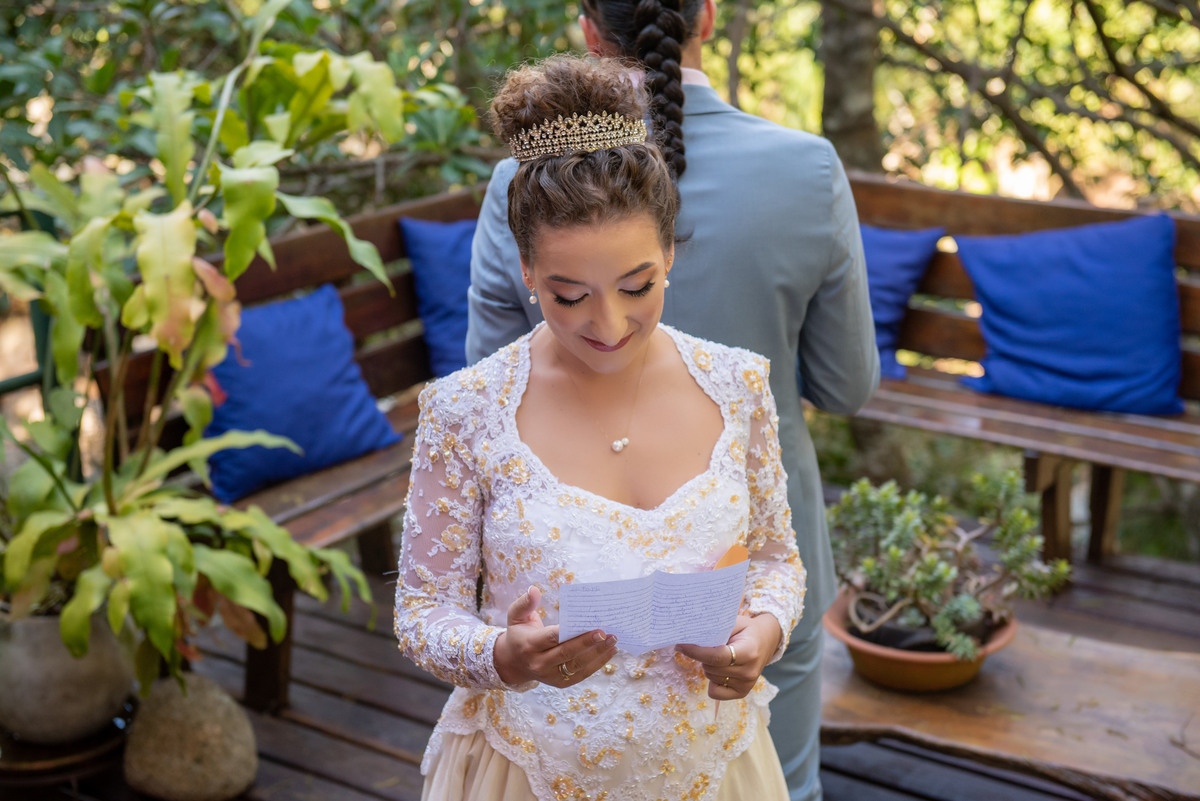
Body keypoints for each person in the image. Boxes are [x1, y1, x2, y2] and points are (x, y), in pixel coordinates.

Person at [466, 2, 880, 799]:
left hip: (562, 583)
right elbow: (845, 385)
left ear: (590, 28)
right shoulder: (810, 168)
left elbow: (489, 385)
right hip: (749, 566)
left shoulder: (524, 180)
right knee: (775, 782)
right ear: (709, 17)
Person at [395, 54, 806, 801]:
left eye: (637, 286)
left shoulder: (739, 385)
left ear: (671, 252)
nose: (608, 324)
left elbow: (778, 561)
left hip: (715, 770)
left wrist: (760, 638)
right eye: (569, 293)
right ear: (525, 269)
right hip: (527, 772)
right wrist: (499, 654)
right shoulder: (465, 411)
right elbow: (422, 611)